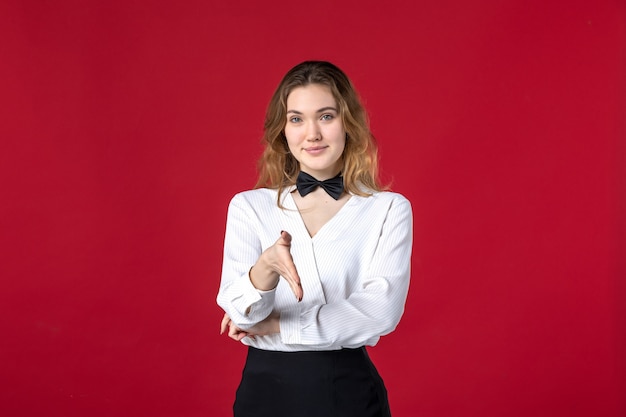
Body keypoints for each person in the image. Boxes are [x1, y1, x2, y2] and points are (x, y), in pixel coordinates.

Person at [217, 61, 412, 417]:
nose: (312, 134)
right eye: (296, 119)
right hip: (263, 392)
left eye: (325, 116)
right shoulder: (250, 206)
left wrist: (279, 324)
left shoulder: (387, 209)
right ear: (283, 130)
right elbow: (238, 312)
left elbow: (381, 311)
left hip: (347, 392)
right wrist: (265, 268)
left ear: (348, 124)